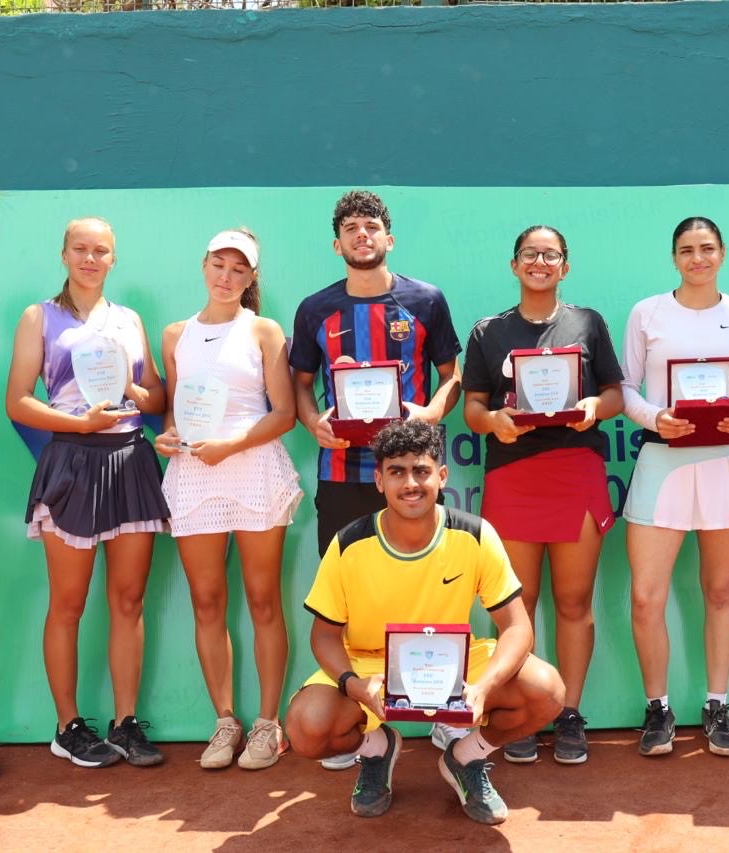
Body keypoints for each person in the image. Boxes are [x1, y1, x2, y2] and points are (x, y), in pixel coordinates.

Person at [284, 419, 565, 825]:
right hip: (371, 664)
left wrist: (484, 688)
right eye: (397, 472)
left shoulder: (475, 534)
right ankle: (377, 750)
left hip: (454, 665)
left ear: (442, 476)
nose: (410, 483)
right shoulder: (348, 543)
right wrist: (354, 685)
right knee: (306, 727)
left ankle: (465, 757)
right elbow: (324, 636)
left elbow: (517, 626)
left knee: (547, 690)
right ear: (379, 480)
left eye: (421, 470)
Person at [289, 190, 464, 768]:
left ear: (389, 238)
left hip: (411, 474)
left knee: (431, 587)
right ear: (336, 243)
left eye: (370, 226)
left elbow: (452, 375)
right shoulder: (315, 309)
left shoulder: (425, 300)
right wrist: (313, 422)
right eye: (350, 228)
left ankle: (442, 713)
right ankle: (364, 727)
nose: (361, 235)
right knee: (346, 600)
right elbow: (300, 383)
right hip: (343, 472)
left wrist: (433, 412)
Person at [5, 216, 169, 768]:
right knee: (68, 604)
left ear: (113, 259)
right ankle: (67, 726)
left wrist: (135, 392)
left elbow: (154, 398)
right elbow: (17, 401)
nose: (90, 259)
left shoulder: (129, 319)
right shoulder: (38, 317)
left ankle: (126, 723)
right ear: (64, 254)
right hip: (71, 462)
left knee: (128, 601)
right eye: (80, 248)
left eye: (101, 251)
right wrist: (80, 424)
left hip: (131, 460)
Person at [461, 225, 623, 764]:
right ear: (514, 265)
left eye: (550, 255)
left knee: (575, 602)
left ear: (565, 266)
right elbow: (473, 407)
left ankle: (569, 713)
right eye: (529, 254)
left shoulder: (588, 322)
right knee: (518, 606)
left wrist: (595, 408)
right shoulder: (488, 332)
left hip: (576, 471)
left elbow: (615, 394)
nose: (539, 262)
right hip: (513, 476)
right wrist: (493, 422)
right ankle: (523, 711)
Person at [153, 229, 302, 770]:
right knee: (207, 602)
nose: (226, 276)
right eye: (219, 264)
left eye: (238, 269)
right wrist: (168, 436)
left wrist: (231, 446)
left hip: (254, 469)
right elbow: (175, 411)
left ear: (251, 277)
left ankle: (267, 724)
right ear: (204, 265)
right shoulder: (175, 335)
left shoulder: (264, 330)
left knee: (263, 600)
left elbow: (284, 413)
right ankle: (224, 721)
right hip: (194, 475)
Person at [620, 217, 729, 758]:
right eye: (686, 250)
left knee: (722, 592)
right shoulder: (647, 313)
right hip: (663, 463)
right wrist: (656, 418)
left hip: (725, 463)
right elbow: (626, 386)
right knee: (645, 597)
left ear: (723, 253)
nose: (697, 258)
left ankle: (717, 706)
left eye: (706, 248)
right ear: (674, 258)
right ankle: (657, 709)